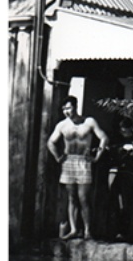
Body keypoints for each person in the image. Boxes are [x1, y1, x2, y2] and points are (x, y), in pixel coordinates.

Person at [47, 96, 109, 239]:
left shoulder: (89, 122)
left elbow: (104, 138)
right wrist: (58, 157)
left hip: (83, 162)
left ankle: (87, 230)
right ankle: (74, 229)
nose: (66, 112)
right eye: (64, 109)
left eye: (68, 108)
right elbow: (50, 142)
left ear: (75, 106)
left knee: (83, 198)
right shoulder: (62, 125)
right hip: (68, 162)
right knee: (72, 197)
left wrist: (97, 157)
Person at [107, 128, 133, 241]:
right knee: (114, 201)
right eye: (121, 130)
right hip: (116, 172)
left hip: (128, 173)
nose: (123, 133)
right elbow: (112, 152)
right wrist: (120, 149)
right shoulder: (117, 140)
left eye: (125, 130)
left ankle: (124, 231)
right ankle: (114, 230)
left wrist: (126, 150)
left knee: (126, 202)